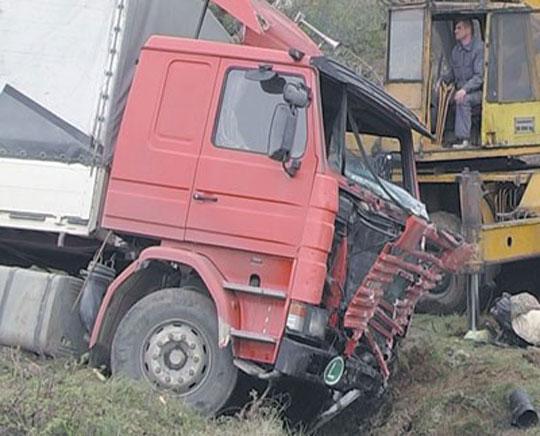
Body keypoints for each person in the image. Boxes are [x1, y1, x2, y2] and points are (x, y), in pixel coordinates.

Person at [442, 19, 484, 148]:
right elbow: (453, 73)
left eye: (459, 28)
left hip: (479, 92)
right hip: (462, 90)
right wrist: (441, 81)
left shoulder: (479, 48)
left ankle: (464, 140)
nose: (455, 31)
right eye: (455, 28)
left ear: (468, 30)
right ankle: (446, 137)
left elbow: (479, 77)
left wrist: (464, 90)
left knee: (462, 99)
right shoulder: (456, 51)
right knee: (444, 98)